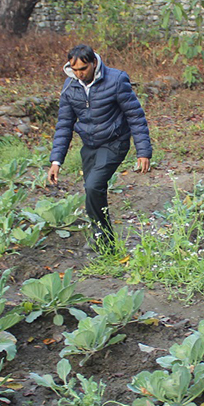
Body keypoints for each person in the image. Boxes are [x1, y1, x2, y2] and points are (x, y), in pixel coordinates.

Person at [48, 45, 152, 252]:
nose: (79, 74)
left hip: (114, 142)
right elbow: (64, 125)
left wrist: (143, 152)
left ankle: (105, 243)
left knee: (93, 187)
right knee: (93, 193)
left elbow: (135, 115)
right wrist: (56, 161)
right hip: (90, 146)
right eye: (75, 69)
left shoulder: (116, 80)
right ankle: (102, 239)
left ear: (94, 63)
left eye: (83, 69)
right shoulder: (70, 87)